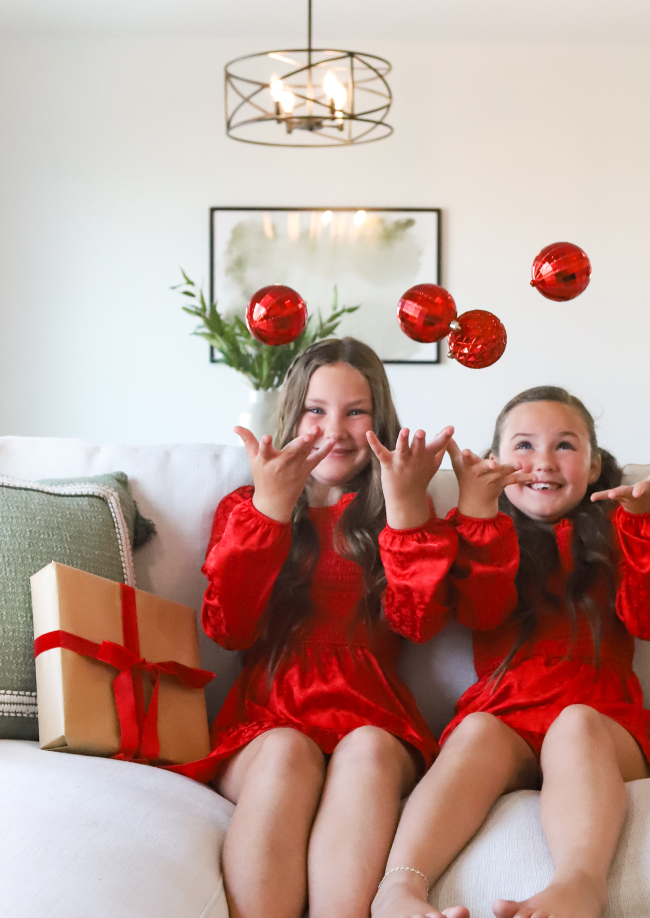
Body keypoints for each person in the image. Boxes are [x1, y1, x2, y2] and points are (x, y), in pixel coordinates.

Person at [372, 385, 650, 918]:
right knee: (475, 731)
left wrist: (646, 519)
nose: (543, 461)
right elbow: (483, 613)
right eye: (523, 445)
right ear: (494, 462)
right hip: (507, 715)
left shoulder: (618, 528)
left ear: (594, 467)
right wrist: (479, 518)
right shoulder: (482, 531)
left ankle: (579, 884)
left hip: (602, 725)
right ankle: (399, 890)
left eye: (565, 446)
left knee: (575, 724)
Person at [176, 337, 457, 918]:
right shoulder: (245, 507)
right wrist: (270, 513)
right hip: (268, 716)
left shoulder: (400, 510)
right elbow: (228, 629)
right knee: (286, 753)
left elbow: (420, 623)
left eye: (356, 411)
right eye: (317, 410)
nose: (337, 429)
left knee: (370, 751)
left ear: (380, 420)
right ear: (291, 415)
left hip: (371, 714)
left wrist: (405, 514)